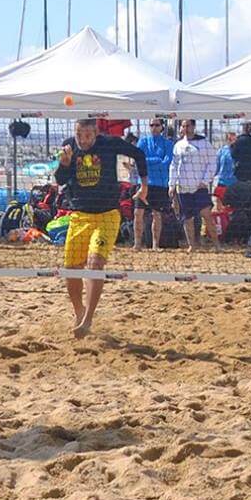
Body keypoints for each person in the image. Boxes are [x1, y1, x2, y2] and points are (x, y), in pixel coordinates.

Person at [54, 117, 149, 338]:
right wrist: (64, 164)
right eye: (79, 134)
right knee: (71, 268)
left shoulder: (108, 143)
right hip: (79, 215)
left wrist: (143, 185)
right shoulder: (69, 146)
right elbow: (60, 180)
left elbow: (139, 154)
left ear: (95, 133)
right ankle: (79, 312)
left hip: (107, 214)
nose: (83, 140)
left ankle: (88, 320)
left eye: (87, 135)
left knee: (95, 263)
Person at [169, 119, 215, 248]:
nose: (185, 128)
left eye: (188, 126)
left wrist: (205, 181)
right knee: (187, 218)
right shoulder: (178, 145)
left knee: (207, 215)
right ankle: (192, 245)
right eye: (183, 126)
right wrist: (172, 184)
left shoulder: (204, 143)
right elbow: (174, 165)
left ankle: (217, 245)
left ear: (194, 127)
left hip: (199, 187)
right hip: (183, 187)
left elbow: (212, 163)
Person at [135, 118, 176, 250]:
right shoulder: (143, 141)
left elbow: (167, 162)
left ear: (162, 127)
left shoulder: (168, 143)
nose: (154, 127)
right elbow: (138, 160)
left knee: (157, 214)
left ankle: (155, 245)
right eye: (151, 125)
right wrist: (157, 160)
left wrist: (148, 162)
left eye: (156, 125)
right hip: (143, 182)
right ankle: (137, 244)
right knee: (138, 213)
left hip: (160, 184)